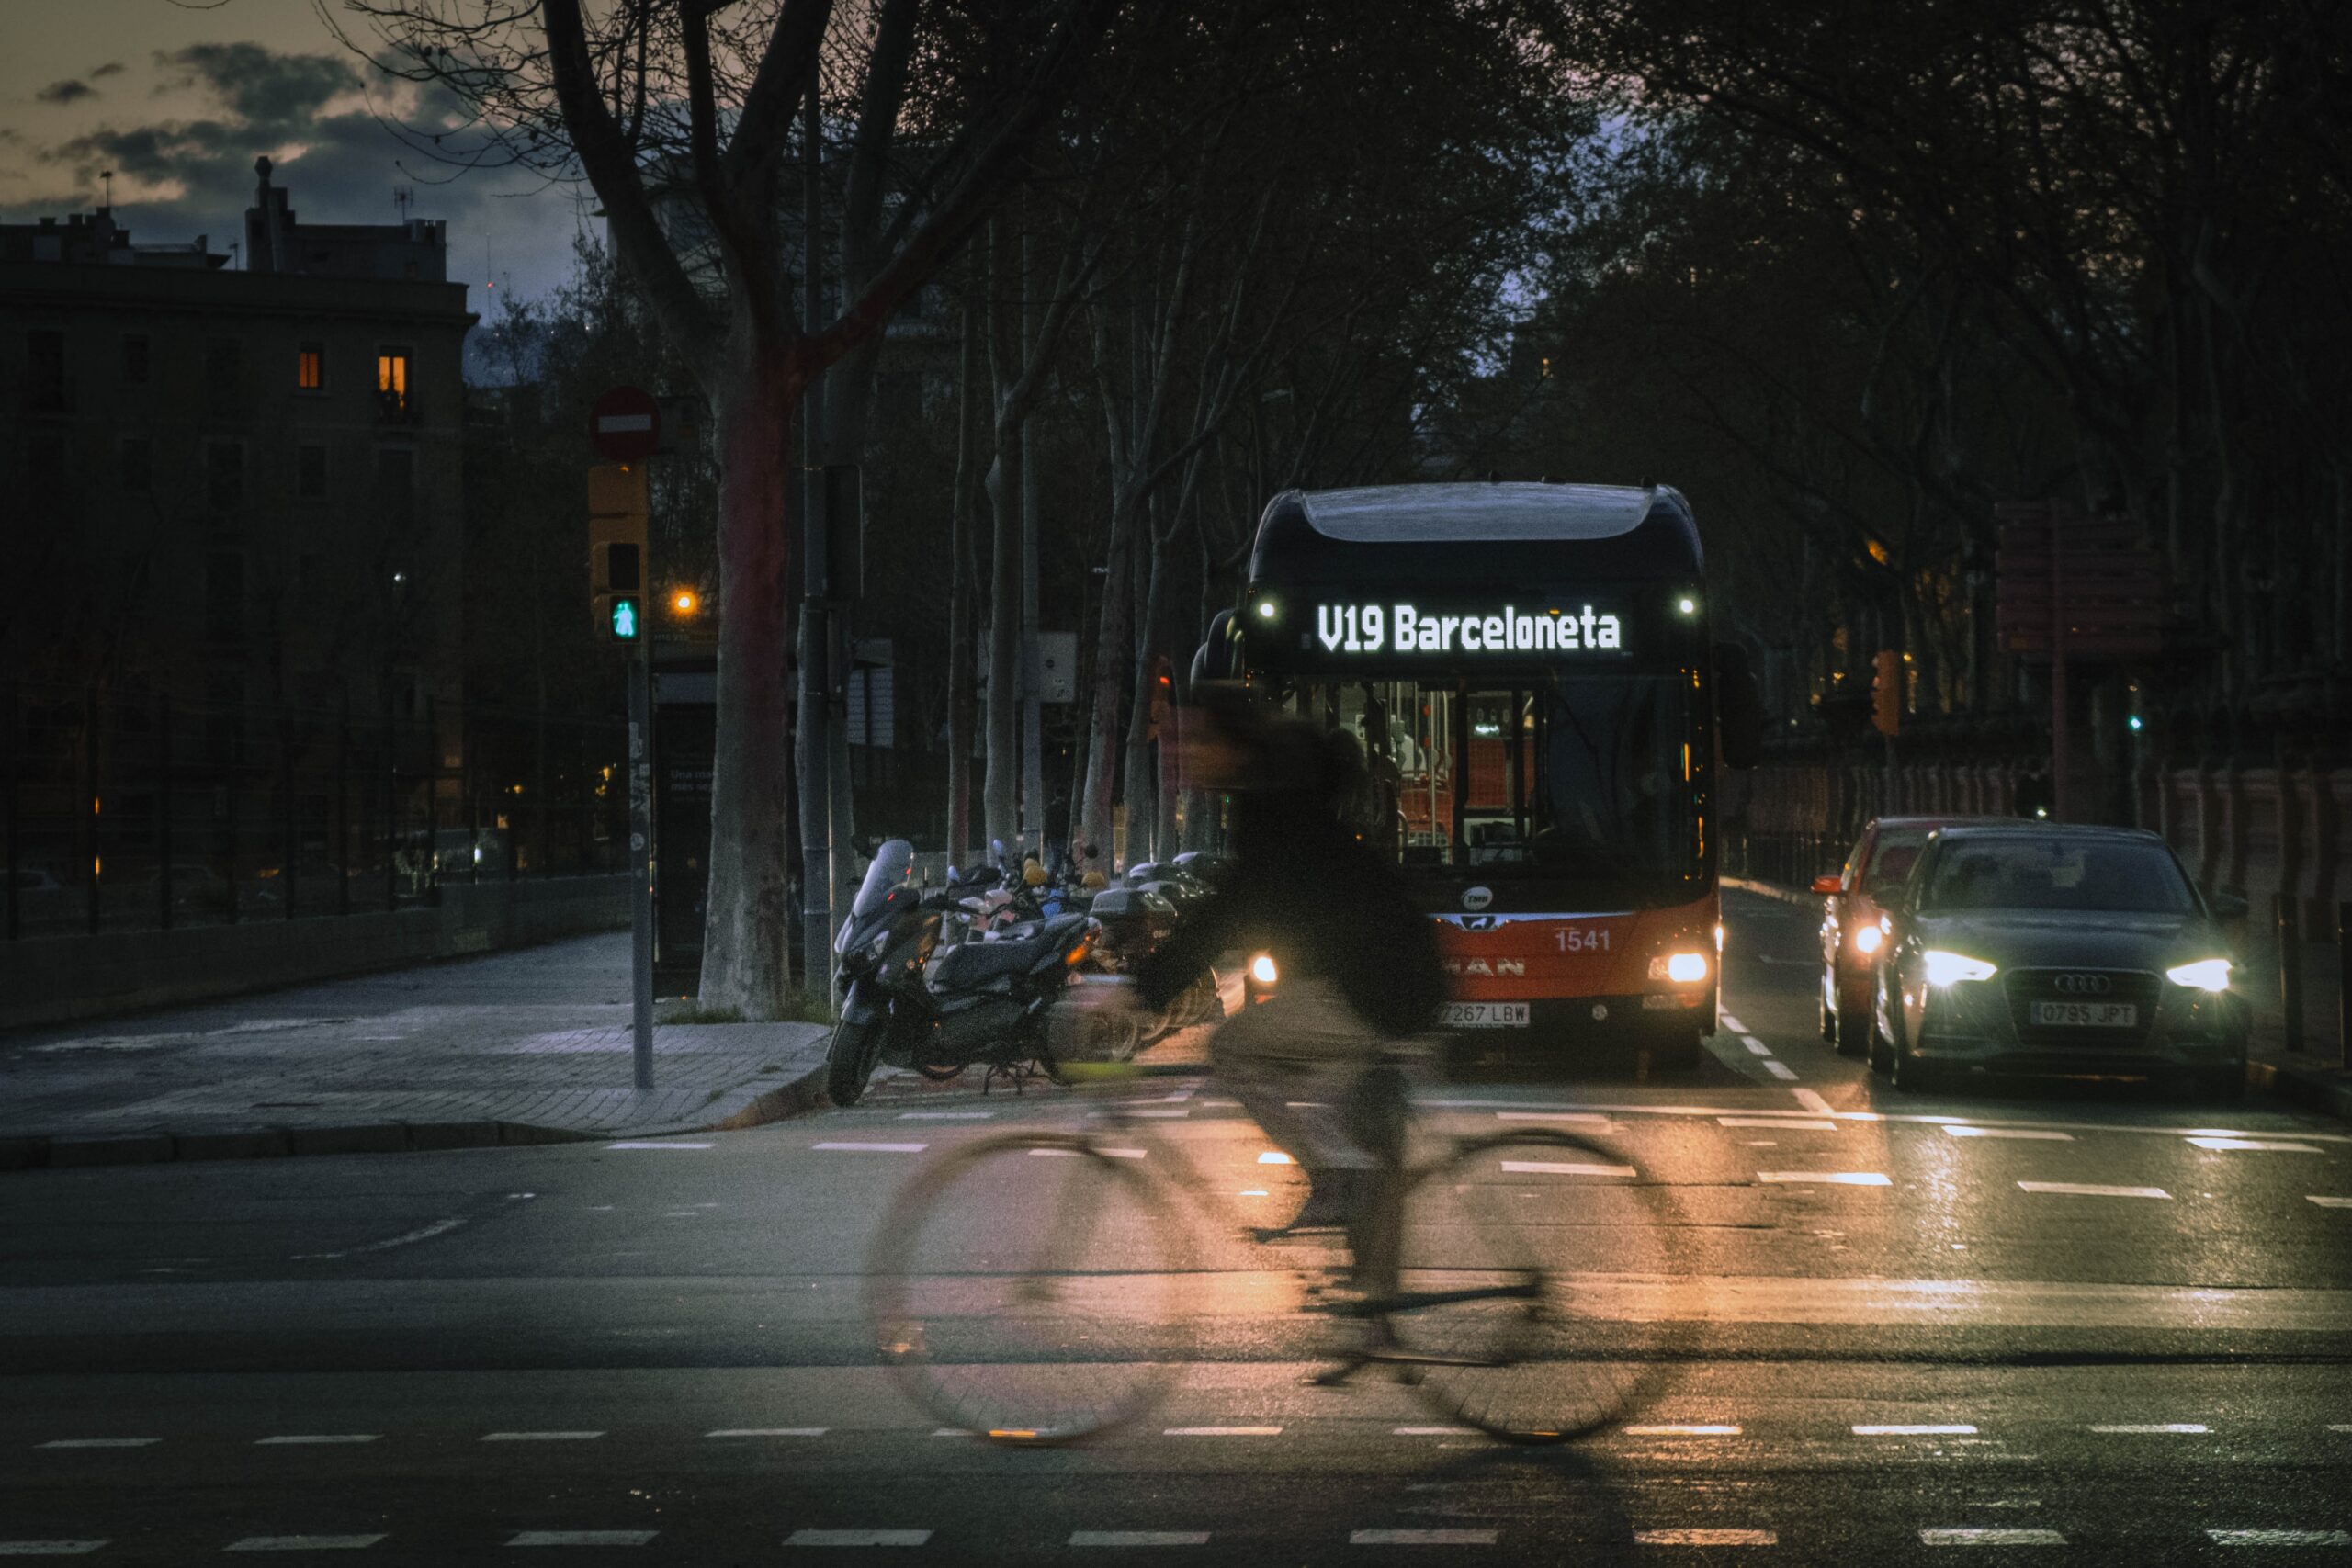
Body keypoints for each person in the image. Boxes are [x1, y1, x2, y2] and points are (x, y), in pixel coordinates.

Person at [1129, 687, 1446, 1231]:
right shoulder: (1286, 788)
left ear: (1232, 743)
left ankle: (1334, 1175)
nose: (1183, 754)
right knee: (1358, 1138)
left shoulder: (1274, 803)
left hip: (1376, 989)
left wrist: (1142, 991)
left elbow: (1235, 904)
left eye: (1197, 739)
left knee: (1232, 1048)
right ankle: (1367, 1278)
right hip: (1383, 977)